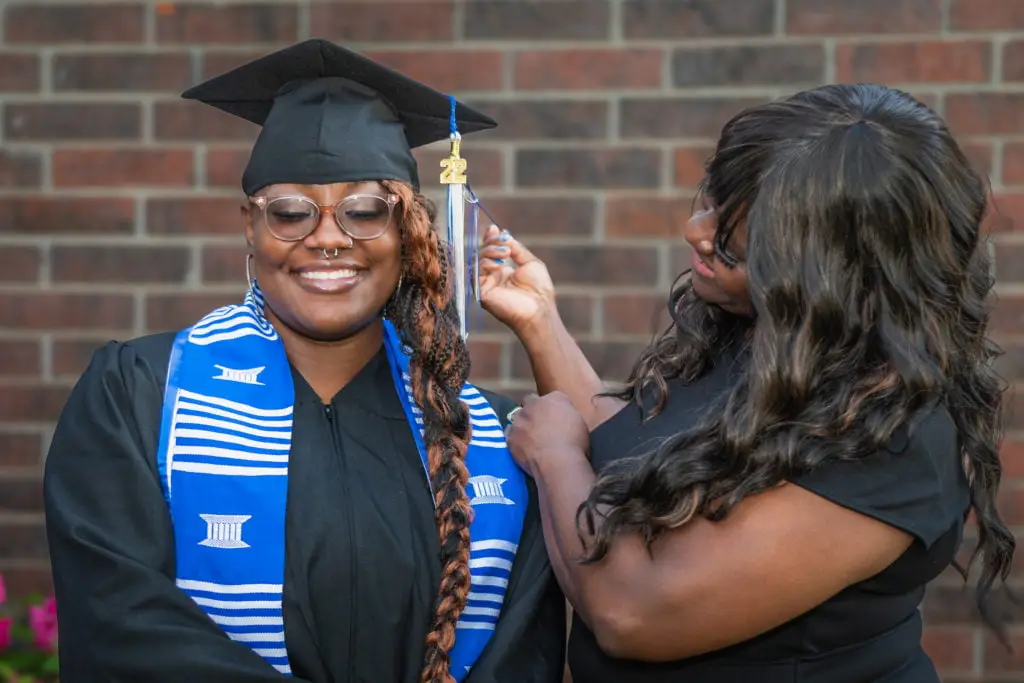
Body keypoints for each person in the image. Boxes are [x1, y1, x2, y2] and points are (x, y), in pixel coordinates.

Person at [43, 39, 565, 683]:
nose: (326, 237)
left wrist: (542, 326)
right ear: (250, 229)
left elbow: (525, 653)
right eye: (290, 212)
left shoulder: (487, 438)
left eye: (365, 211)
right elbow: (121, 625)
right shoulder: (139, 399)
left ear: (408, 235)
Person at [478, 83, 1015, 682]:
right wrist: (540, 322)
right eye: (712, 199)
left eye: (739, 230)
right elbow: (625, 455)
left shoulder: (890, 436)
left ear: (829, 265)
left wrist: (553, 457)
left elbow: (635, 610)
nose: (694, 229)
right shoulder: (766, 337)